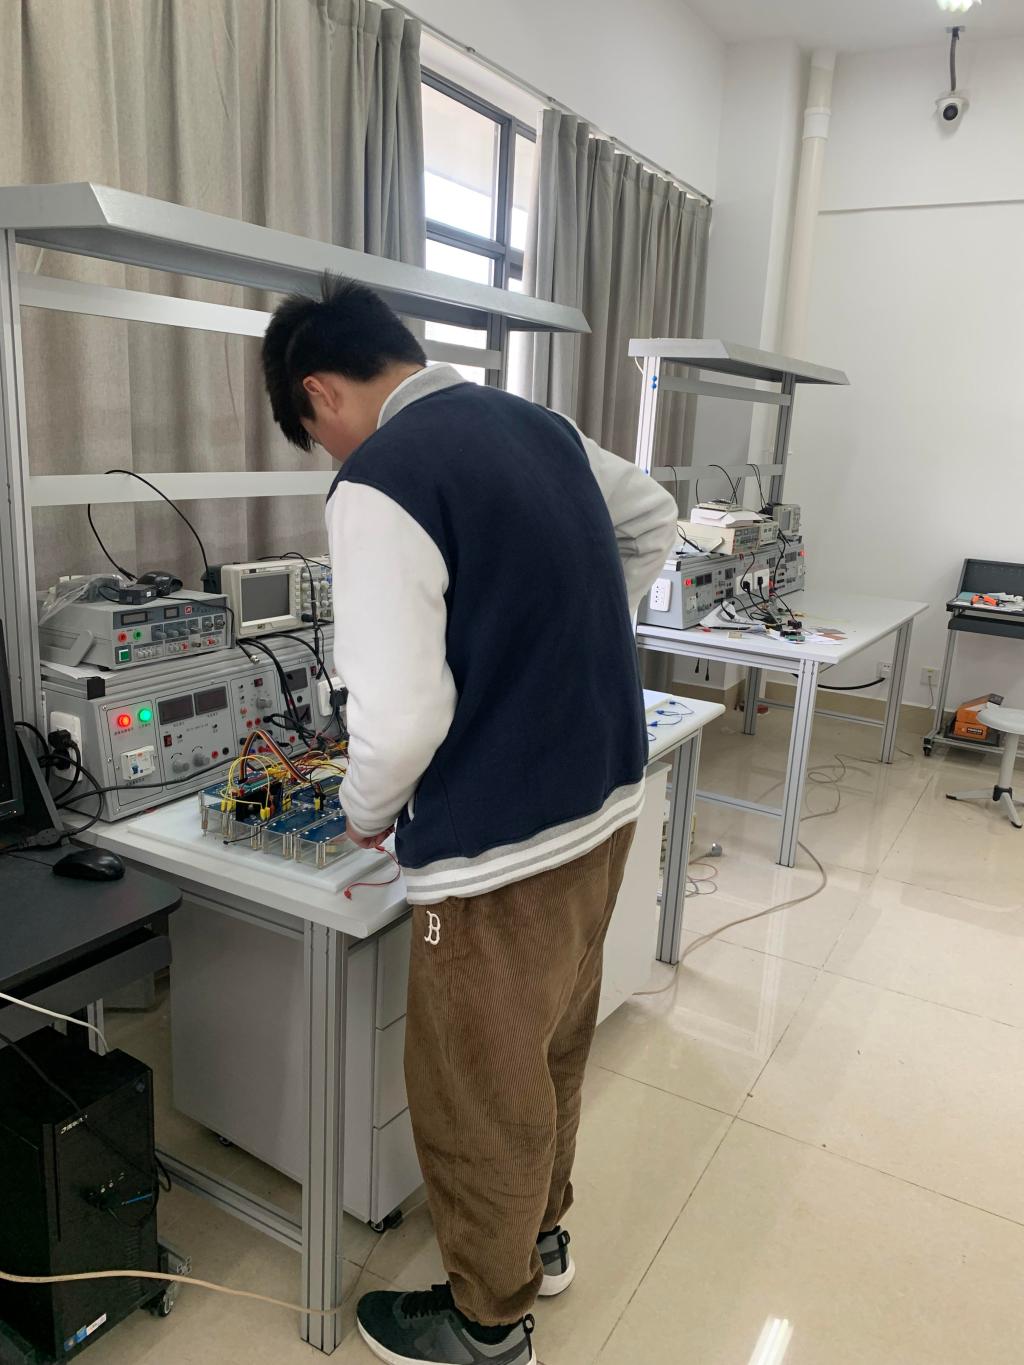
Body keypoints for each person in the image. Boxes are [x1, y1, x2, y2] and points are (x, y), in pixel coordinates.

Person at [261, 275, 677, 1365]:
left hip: (501, 846)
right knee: (552, 1047)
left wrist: (364, 812)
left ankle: (488, 1323)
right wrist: (561, 640)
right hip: (601, 800)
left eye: (313, 435)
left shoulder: (380, 477)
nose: (327, 455)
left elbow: (399, 720)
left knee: (473, 1089)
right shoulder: (537, 424)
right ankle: (541, 1237)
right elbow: (651, 517)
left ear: (321, 392)